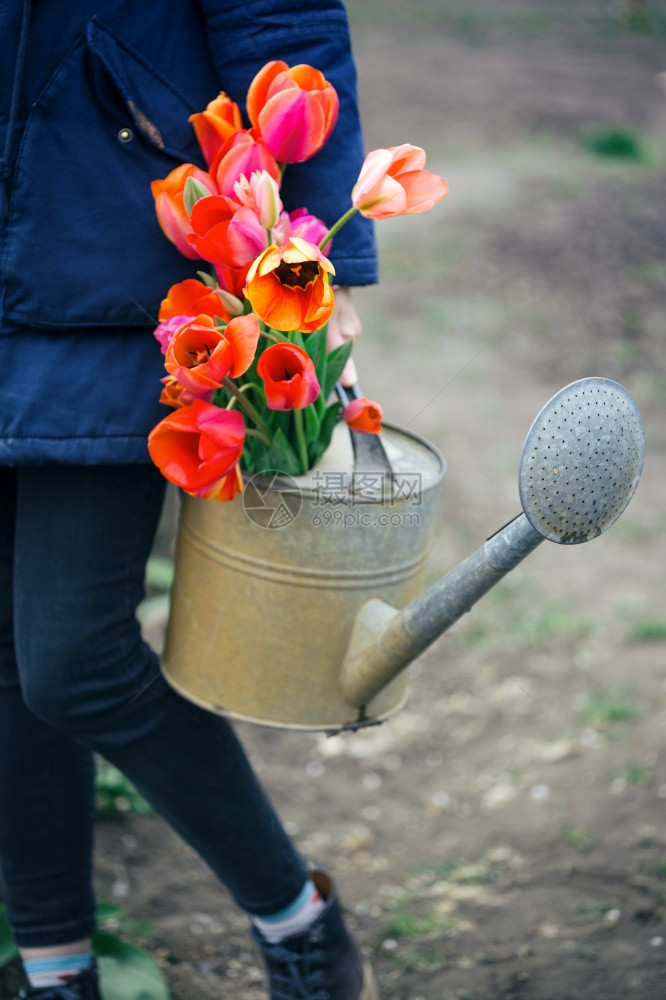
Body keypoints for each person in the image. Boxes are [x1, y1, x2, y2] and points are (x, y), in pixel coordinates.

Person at [0, 2, 378, 998]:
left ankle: (299, 919)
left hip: (129, 253)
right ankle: (55, 971)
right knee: (6, 655)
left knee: (74, 658)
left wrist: (302, 282)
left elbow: (283, 22)